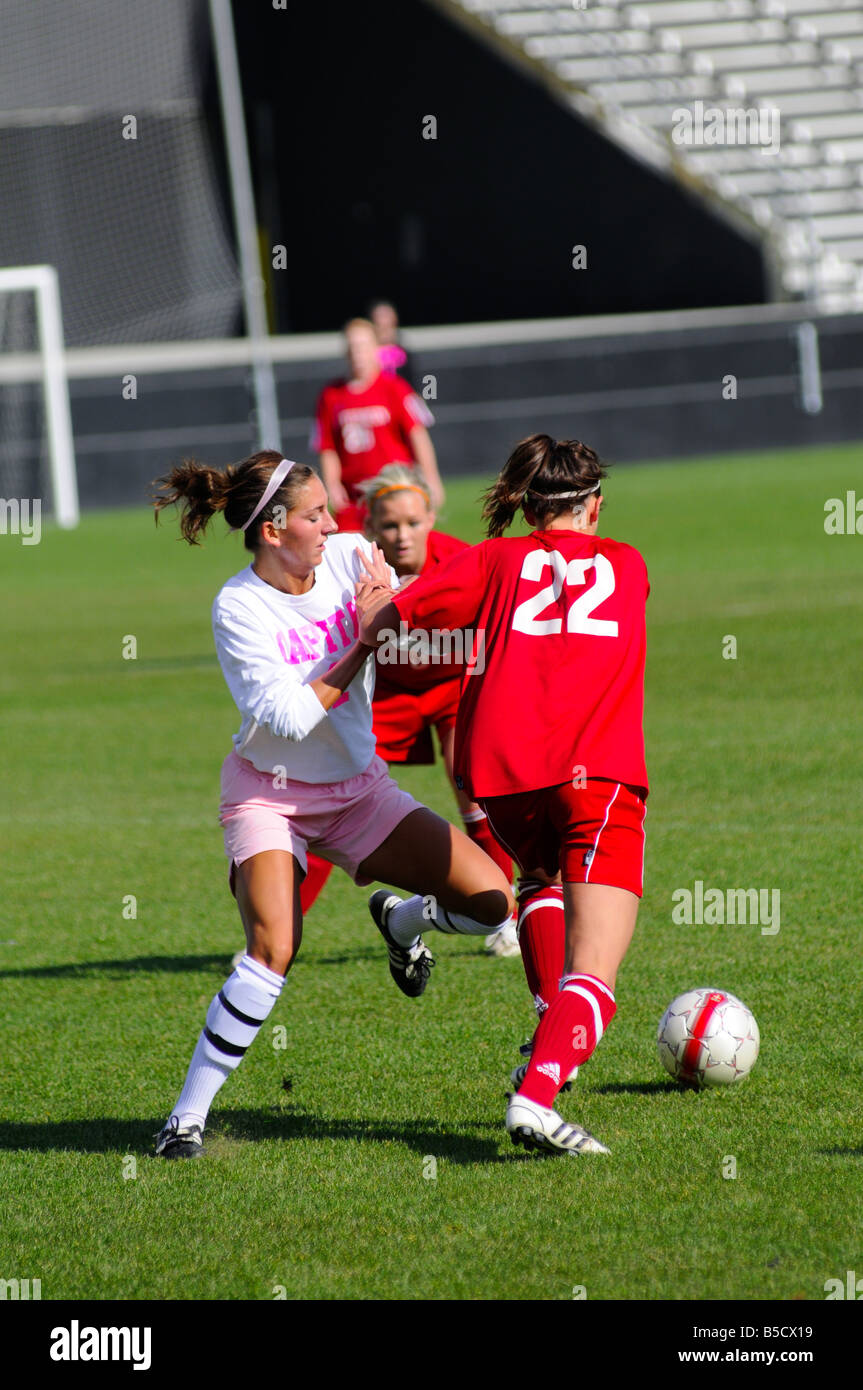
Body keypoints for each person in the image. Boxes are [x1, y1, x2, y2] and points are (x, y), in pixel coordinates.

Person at [150, 452, 514, 1159]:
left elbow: (395, 603)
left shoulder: (349, 554)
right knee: (273, 949)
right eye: (315, 513)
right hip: (269, 796)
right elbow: (288, 716)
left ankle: (402, 918)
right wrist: (361, 640)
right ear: (275, 528)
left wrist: (389, 608)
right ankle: (184, 1121)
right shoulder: (238, 606)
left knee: (492, 903)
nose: (333, 522)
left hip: (358, 791)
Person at [360, 435, 648, 1157]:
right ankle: (537, 1094)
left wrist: (374, 603)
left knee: (539, 882)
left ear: (523, 507)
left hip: (506, 782)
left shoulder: (488, 561)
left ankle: (546, 1038)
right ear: (595, 504)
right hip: (598, 779)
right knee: (596, 973)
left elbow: (390, 624)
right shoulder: (628, 564)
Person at [296, 463, 520, 959]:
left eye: (414, 523)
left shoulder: (462, 561)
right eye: (390, 525)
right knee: (335, 799)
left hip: (454, 688)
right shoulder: (352, 564)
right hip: (387, 695)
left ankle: (507, 916)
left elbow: (504, 628)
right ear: (370, 525)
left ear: (431, 516)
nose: (402, 535)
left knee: (478, 792)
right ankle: (282, 929)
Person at [312, 317, 444, 531]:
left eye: (362, 346)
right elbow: (327, 447)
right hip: (354, 496)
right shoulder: (331, 395)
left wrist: (431, 477)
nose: (357, 353)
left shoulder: (395, 388)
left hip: (394, 488)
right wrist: (332, 485)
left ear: (376, 348)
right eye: (352, 347)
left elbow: (417, 435)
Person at [368, 298, 415, 385]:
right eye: (378, 316)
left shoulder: (404, 352)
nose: (382, 321)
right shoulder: (368, 354)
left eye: (385, 316)